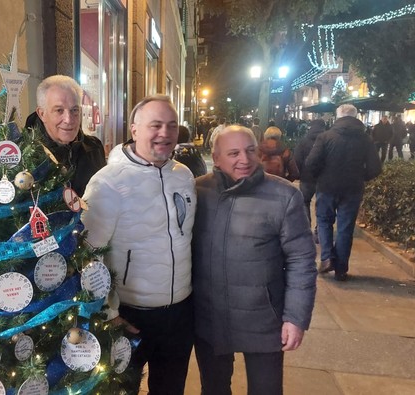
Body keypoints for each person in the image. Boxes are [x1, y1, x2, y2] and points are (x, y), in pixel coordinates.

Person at [81, 95, 196, 394]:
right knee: (123, 389)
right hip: (130, 314)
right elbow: (88, 254)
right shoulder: (107, 182)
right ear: (134, 130)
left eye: (171, 126)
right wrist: (109, 312)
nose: (165, 133)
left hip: (179, 313)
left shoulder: (183, 176)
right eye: (155, 125)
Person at [191, 125, 317, 395]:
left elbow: (302, 261)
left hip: (264, 319)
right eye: (233, 153)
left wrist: (295, 318)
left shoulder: (284, 196)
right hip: (210, 316)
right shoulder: (198, 191)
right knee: (213, 388)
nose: (244, 160)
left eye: (250, 151)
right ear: (216, 157)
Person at [306, 104, 382, 281]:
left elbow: (311, 162)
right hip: (352, 189)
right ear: (356, 117)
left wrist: (321, 176)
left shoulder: (325, 137)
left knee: (324, 221)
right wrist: (360, 177)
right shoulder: (365, 139)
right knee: (345, 228)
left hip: (327, 186)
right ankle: (341, 268)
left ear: (337, 117)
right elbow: (375, 168)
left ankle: (326, 258)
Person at [24, 75, 106, 195]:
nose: (68, 119)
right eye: (59, 110)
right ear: (42, 114)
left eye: (74, 110)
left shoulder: (94, 148)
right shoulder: (25, 155)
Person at [294, 119, 327, 237]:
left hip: (306, 178)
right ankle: (319, 231)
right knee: (322, 205)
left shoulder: (303, 141)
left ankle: (306, 230)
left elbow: (297, 159)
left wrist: (299, 174)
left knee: (305, 203)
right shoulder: (328, 140)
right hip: (323, 178)